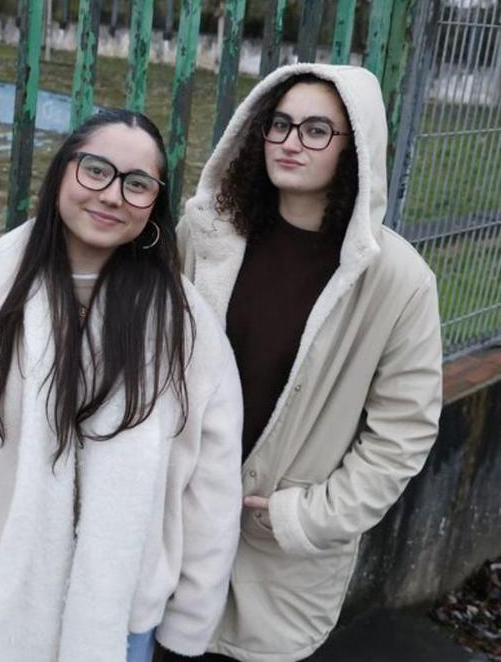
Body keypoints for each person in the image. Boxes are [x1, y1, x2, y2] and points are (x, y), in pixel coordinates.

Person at [0, 108, 244, 662]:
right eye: (95, 170)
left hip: (120, 612)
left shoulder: (186, 326)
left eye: (137, 184)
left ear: (155, 205)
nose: (111, 195)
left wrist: (189, 619)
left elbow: (212, 486)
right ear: (62, 173)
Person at [171, 64, 443, 661]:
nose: (292, 141)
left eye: (317, 130)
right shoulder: (207, 233)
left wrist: (307, 518)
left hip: (278, 557)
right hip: (176, 528)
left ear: (357, 150)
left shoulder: (398, 281)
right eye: (281, 124)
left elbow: (404, 432)